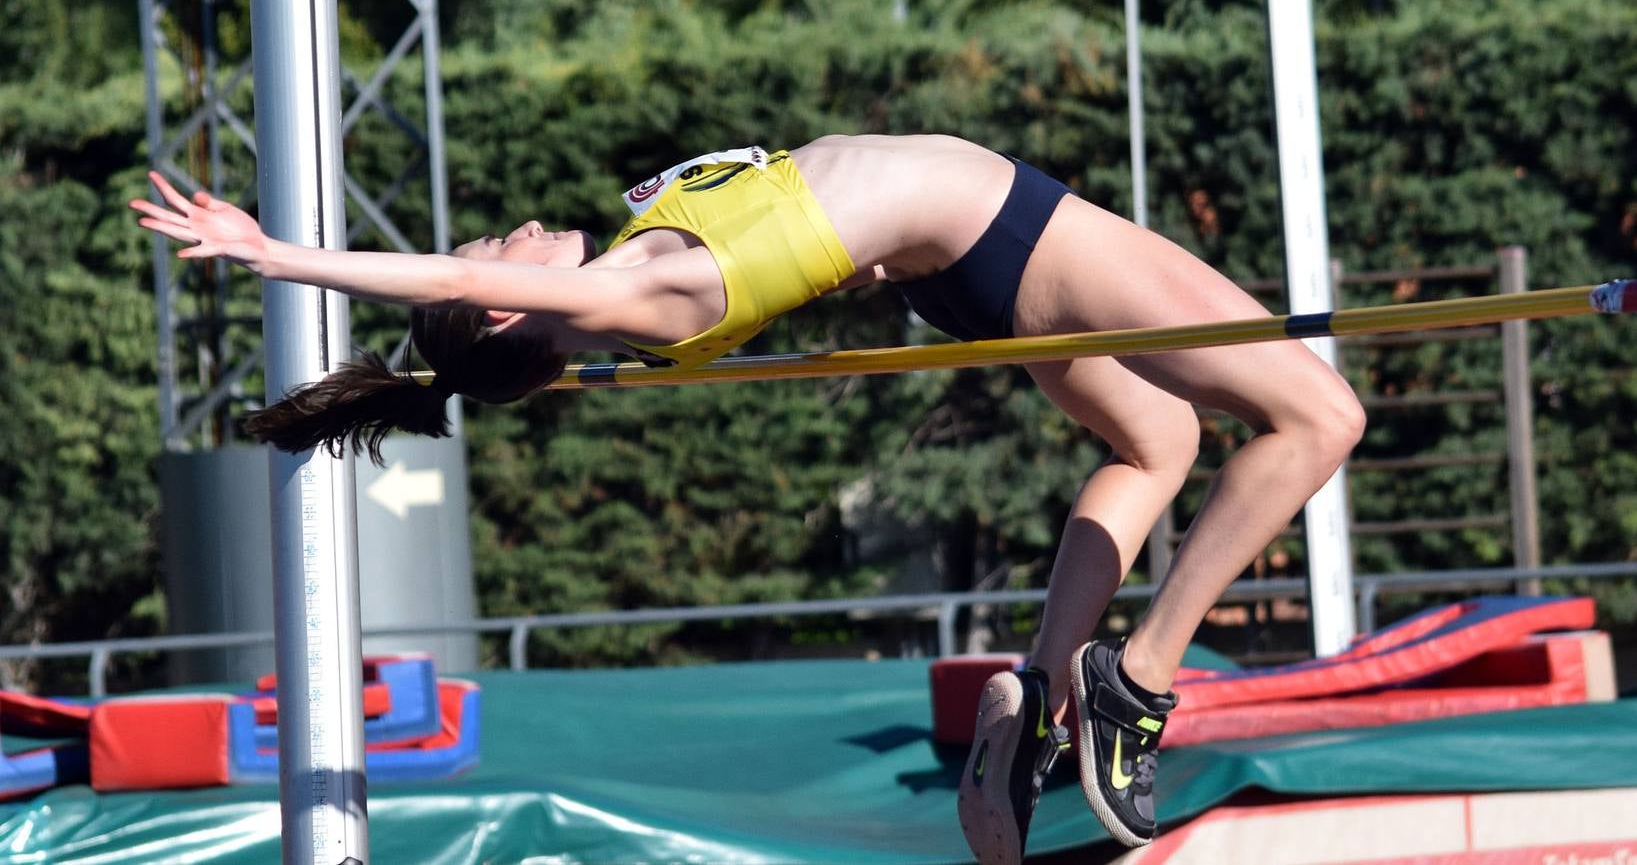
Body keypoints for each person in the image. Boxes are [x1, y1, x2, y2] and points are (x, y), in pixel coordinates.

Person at [131, 133, 1364, 861]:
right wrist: (275, 252)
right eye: (503, 253)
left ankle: (1034, 703)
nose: (514, 225)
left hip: (955, 265)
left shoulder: (635, 263)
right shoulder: (624, 304)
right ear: (511, 310)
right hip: (1003, 230)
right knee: (1318, 416)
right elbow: (448, 276)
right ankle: (1134, 679)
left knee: (1153, 442)